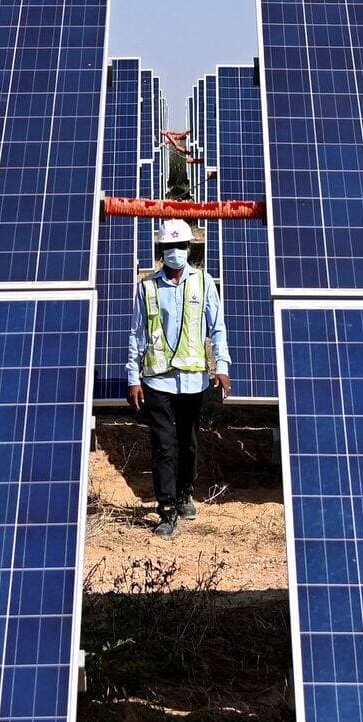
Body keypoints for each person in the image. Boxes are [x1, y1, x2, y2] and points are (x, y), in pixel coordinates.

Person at [127, 219, 231, 540]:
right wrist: (133, 376)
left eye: (181, 247)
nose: (175, 253)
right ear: (161, 251)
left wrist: (222, 365)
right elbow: (137, 334)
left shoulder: (204, 282)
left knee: (188, 443)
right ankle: (167, 509)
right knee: (163, 446)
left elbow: (218, 327)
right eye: (169, 248)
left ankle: (186, 492)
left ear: (189, 249)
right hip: (157, 381)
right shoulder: (147, 287)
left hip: (193, 381)